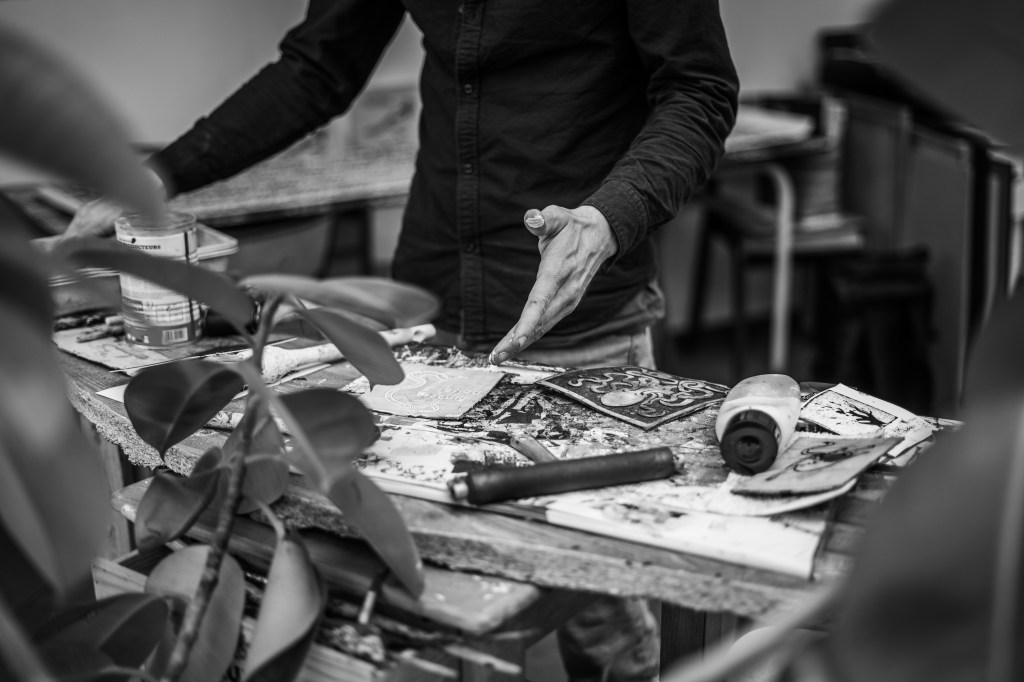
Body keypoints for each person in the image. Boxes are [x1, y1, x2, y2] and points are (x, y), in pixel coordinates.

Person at [69, 1, 738, 679]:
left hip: (577, 310)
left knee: (601, 609)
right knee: (442, 579)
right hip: (432, 302)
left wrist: (609, 218)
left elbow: (700, 89)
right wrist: (158, 176)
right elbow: (319, 66)